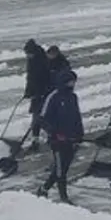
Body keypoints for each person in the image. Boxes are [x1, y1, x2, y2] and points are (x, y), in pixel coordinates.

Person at [36, 69, 84, 204]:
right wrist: (55, 133)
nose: (72, 84)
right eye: (70, 81)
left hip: (71, 139)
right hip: (57, 141)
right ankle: (64, 197)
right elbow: (42, 119)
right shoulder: (54, 97)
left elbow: (77, 117)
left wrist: (79, 134)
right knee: (60, 170)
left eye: (73, 82)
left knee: (63, 167)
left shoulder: (73, 97)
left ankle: (44, 189)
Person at [22, 39, 52, 151]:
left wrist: (41, 93)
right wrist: (28, 92)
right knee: (36, 117)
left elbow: (45, 79)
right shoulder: (31, 60)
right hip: (36, 94)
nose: (27, 56)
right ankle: (35, 140)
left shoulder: (42, 60)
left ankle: (52, 135)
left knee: (40, 117)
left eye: (28, 53)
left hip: (44, 93)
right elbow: (30, 78)